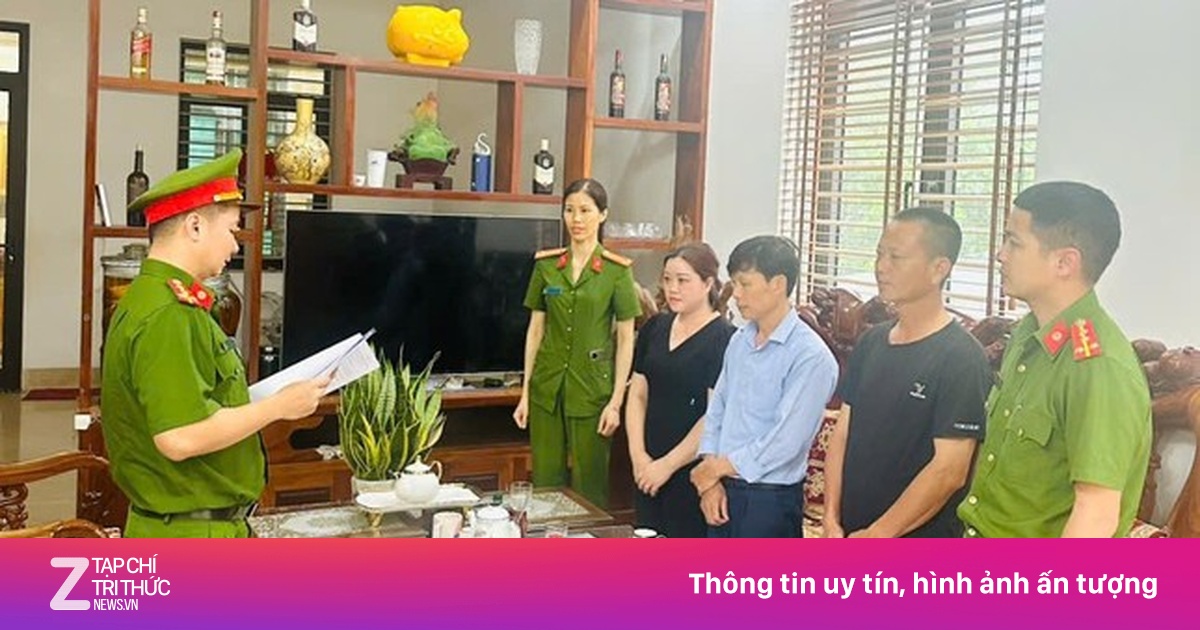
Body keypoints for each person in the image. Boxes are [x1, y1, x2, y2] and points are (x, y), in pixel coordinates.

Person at [101, 149, 328, 538]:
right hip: (190, 534)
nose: (235, 246)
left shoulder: (157, 298)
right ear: (194, 226)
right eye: (232, 230)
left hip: (198, 525)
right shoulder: (169, 313)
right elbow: (179, 436)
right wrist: (278, 407)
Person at [957, 181, 1152, 538]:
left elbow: (1095, 516)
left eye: (1014, 243)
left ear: (1065, 262)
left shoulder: (1098, 367)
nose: (1000, 255)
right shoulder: (1027, 333)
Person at [822, 208, 991, 538]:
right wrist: (830, 517)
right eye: (879, 254)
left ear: (939, 268)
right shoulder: (871, 341)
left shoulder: (961, 357)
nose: (881, 267)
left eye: (896, 257)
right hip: (850, 533)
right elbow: (842, 434)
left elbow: (949, 471)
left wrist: (878, 535)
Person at [690, 235, 838, 537]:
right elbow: (717, 409)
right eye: (734, 283)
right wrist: (710, 479)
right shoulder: (740, 340)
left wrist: (717, 468)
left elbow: (786, 441)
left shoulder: (811, 356)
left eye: (745, 284)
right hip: (721, 486)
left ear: (778, 284)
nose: (736, 294)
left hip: (768, 498)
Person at [513, 178, 642, 509]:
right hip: (547, 388)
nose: (577, 219)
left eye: (585, 210)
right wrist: (525, 393)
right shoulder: (546, 266)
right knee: (545, 484)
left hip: (592, 389)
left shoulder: (616, 271)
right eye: (569, 210)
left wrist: (616, 402)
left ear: (603, 215)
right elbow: (535, 331)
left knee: (590, 485)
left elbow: (626, 339)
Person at [626, 243, 736, 537]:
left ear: (708, 283)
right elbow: (637, 394)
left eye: (683, 280)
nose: (672, 288)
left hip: (690, 469)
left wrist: (666, 466)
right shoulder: (655, 327)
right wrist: (639, 456)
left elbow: (713, 416)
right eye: (667, 279)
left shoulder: (725, 338)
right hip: (646, 466)